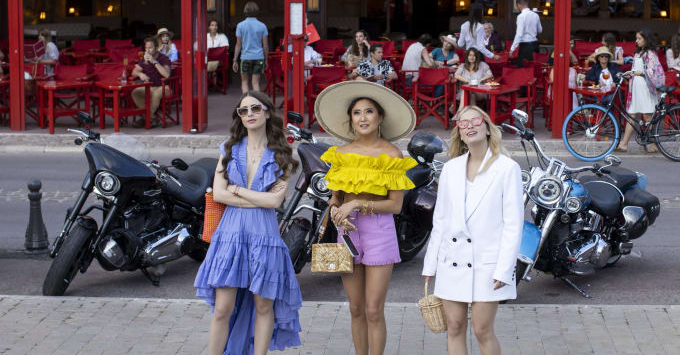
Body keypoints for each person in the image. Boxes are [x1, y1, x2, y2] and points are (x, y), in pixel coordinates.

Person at [314, 80, 418, 355]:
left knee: (373, 310)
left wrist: (358, 204)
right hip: (346, 232)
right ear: (350, 119)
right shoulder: (341, 154)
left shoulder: (392, 155)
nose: (363, 117)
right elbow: (335, 198)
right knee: (355, 308)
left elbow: (395, 206)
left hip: (379, 232)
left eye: (369, 111)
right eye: (357, 112)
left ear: (380, 117)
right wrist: (336, 210)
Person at [194, 91, 301, 355]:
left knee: (264, 306)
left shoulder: (282, 154)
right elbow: (219, 193)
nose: (250, 114)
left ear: (266, 112)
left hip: (264, 235)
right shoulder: (229, 148)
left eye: (255, 108)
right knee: (222, 308)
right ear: (239, 117)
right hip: (230, 233)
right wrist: (259, 197)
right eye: (244, 111)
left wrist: (238, 191)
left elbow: (275, 202)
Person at [422, 105, 523, 355]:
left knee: (482, 329)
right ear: (459, 133)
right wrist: (430, 264)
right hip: (451, 261)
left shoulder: (507, 168)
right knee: (454, 326)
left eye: (475, 121)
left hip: (488, 264)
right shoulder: (451, 168)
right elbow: (441, 220)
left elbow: (513, 224)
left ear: (487, 127)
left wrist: (505, 268)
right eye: (463, 123)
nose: (470, 126)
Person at [617, 29, 665, 153]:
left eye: (639, 38)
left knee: (647, 115)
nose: (636, 41)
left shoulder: (650, 54)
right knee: (632, 114)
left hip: (646, 86)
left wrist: (640, 72)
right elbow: (636, 69)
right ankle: (624, 144)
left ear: (646, 39)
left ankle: (652, 144)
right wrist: (630, 74)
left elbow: (652, 70)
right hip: (637, 86)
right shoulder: (638, 53)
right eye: (636, 38)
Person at [130, 37, 172, 128]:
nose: (148, 50)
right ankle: (151, 118)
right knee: (135, 92)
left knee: (155, 95)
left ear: (156, 48)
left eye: (150, 48)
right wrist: (140, 74)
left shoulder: (163, 58)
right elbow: (133, 73)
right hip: (150, 86)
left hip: (164, 87)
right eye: (146, 48)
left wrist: (154, 61)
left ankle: (146, 118)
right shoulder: (144, 59)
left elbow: (167, 75)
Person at [233, 2, 269, 93]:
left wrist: (234, 60)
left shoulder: (240, 25)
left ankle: (246, 104)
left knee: (244, 82)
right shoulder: (262, 26)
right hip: (258, 57)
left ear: (245, 11)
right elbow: (265, 46)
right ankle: (257, 105)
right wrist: (266, 59)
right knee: (256, 83)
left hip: (245, 57)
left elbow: (238, 45)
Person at [454, 48, 493, 112]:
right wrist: (467, 80)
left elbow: (490, 75)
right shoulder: (463, 66)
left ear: (477, 57)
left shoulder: (482, 65)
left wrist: (481, 79)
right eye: (470, 55)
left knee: (468, 92)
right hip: (466, 91)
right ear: (467, 56)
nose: (471, 57)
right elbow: (456, 75)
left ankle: (459, 113)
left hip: (479, 91)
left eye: (474, 55)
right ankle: (473, 116)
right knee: (470, 94)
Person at [509, 0, 542, 67]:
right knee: (534, 68)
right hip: (535, 45)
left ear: (518, 5)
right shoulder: (536, 15)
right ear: (526, 4)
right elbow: (540, 30)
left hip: (526, 47)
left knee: (524, 70)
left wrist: (512, 49)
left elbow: (519, 34)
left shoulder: (521, 16)